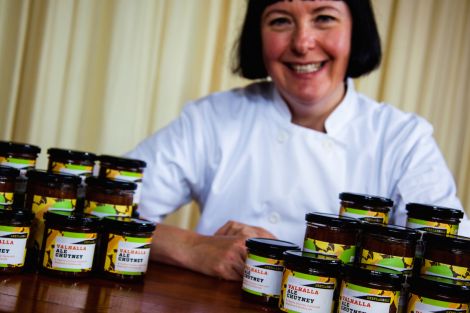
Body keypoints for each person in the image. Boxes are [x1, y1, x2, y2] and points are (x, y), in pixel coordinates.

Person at [126, 0, 469, 281]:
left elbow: (452, 262)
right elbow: (102, 206)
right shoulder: (212, 118)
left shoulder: (403, 138)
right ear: (257, 36)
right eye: (280, 21)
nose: (302, 43)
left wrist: (292, 259)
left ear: (355, 31)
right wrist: (192, 246)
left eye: (324, 18)